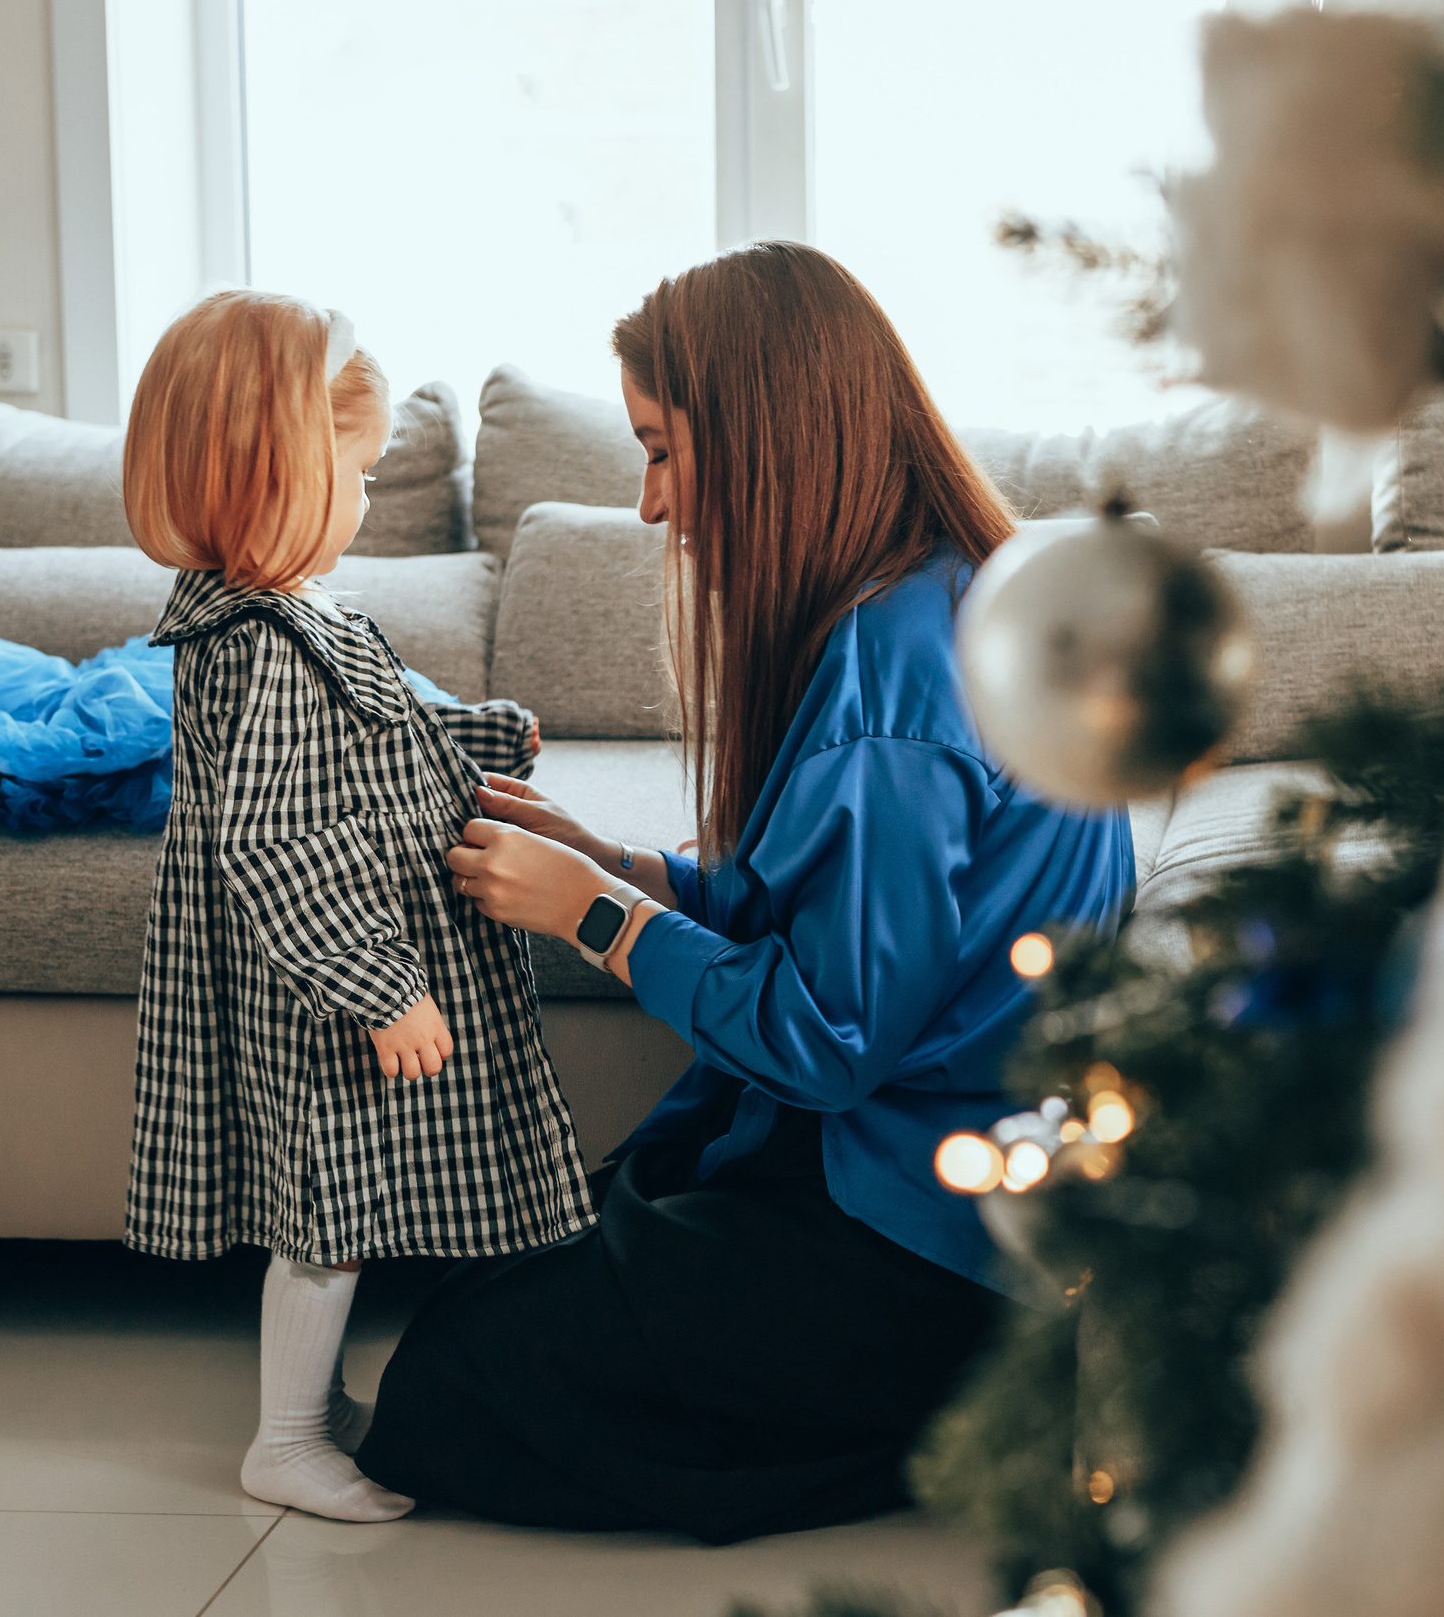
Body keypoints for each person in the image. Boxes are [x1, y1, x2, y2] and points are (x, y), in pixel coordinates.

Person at [354, 242, 1137, 1542]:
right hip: (965, 1188)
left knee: (450, 1381)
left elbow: (829, 1039)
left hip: (924, 1229)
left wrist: (594, 916)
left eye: (663, 449)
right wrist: (629, 867)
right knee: (536, 1251)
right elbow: (860, 912)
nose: (652, 504)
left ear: (769, 435)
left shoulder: (890, 681)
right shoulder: (946, 598)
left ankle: (959, 1418)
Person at [120, 290, 594, 1523]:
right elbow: (280, 839)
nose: (370, 499)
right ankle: (283, 1439)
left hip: (343, 950)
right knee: (327, 1208)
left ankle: (315, 1407)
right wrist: (382, 989)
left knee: (346, 1196)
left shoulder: (300, 617)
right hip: (323, 975)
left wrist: (479, 739)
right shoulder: (263, 645)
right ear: (276, 473)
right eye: (359, 474)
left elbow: (378, 746)